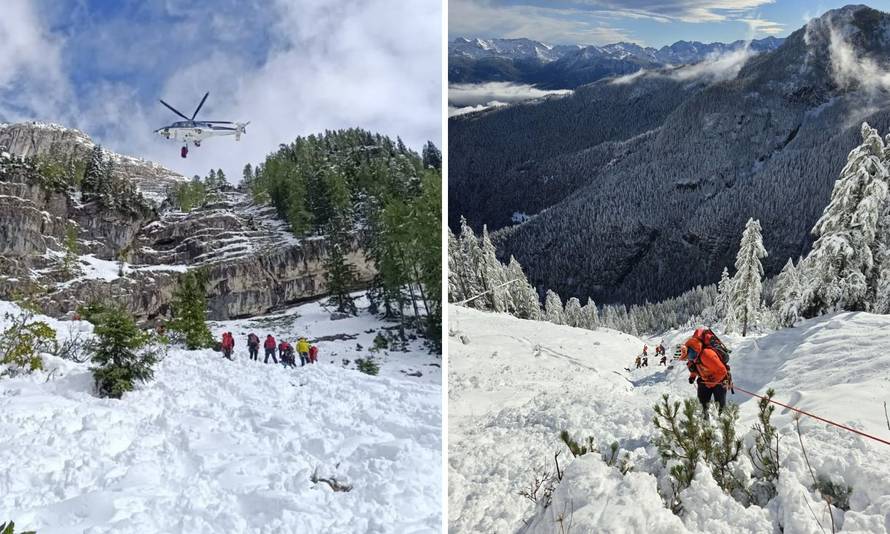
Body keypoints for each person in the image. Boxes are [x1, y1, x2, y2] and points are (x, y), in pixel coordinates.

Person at [681, 330, 730, 421]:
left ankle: (723, 423)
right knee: (702, 403)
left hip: (720, 381)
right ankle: (705, 421)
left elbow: (722, 371)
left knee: (720, 405)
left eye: (687, 357)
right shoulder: (692, 355)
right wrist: (692, 376)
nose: (688, 359)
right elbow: (696, 367)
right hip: (705, 380)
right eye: (686, 358)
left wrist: (711, 383)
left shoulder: (707, 354)